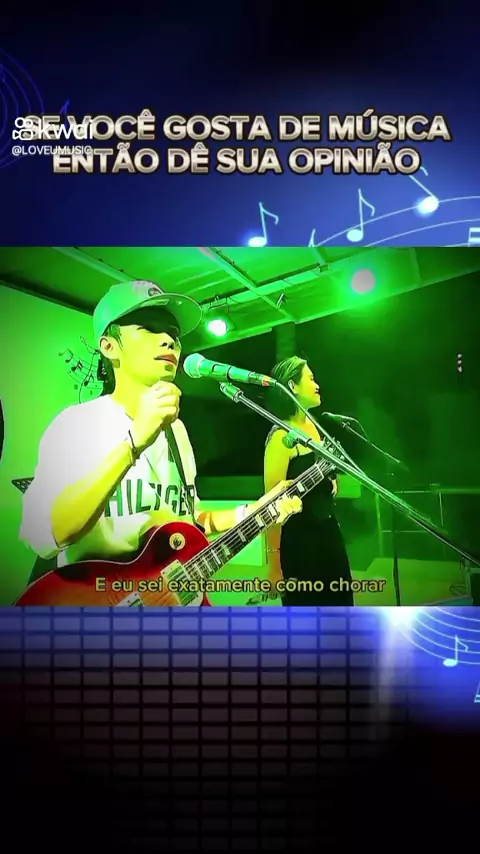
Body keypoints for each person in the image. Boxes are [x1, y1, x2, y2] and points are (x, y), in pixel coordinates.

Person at [19, 280, 302, 605]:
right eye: (149, 328)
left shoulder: (176, 431)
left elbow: (188, 521)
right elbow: (45, 534)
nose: (169, 340)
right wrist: (133, 442)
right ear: (109, 346)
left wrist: (258, 509)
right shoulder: (77, 424)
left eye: (173, 333)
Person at [263, 356, 354, 605]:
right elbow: (270, 508)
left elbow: (327, 471)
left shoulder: (317, 428)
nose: (317, 385)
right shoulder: (280, 438)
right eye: (311, 379)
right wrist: (274, 566)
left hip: (330, 534)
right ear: (292, 386)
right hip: (300, 546)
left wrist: (332, 481)